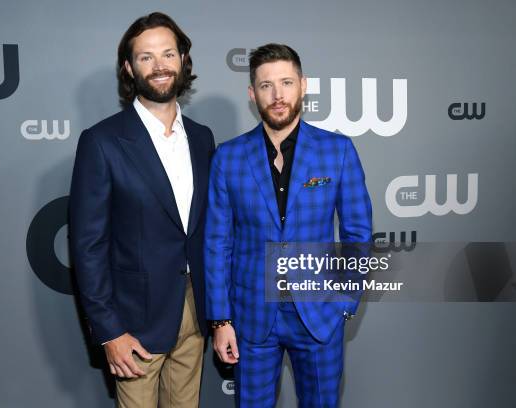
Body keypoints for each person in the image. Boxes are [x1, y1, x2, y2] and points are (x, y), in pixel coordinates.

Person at [205, 43, 372, 407]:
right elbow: (218, 243)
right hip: (251, 318)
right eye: (266, 85)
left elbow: (358, 235)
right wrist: (221, 321)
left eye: (286, 82)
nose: (277, 95)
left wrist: (344, 302)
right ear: (252, 94)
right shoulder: (228, 157)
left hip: (318, 315)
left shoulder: (337, 150)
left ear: (303, 85)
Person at [69, 12, 215, 407]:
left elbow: (205, 231)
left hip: (195, 315)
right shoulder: (102, 142)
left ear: (184, 60)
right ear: (128, 68)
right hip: (133, 325)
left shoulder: (202, 139)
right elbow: (88, 246)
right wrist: (110, 331)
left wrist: (217, 313)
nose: (160, 65)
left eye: (168, 54)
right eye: (146, 57)